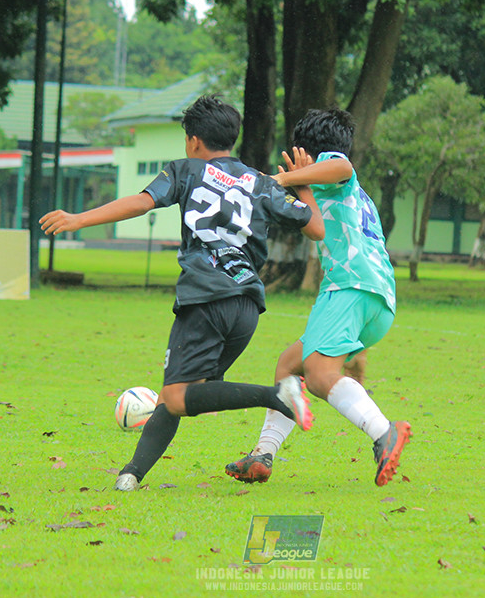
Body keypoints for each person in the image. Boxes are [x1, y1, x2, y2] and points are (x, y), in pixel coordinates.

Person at [39, 95, 325, 491]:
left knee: (175, 396)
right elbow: (316, 227)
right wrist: (304, 183)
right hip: (246, 307)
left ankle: (278, 395)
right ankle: (132, 474)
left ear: (193, 141)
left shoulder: (186, 170)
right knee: (187, 392)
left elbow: (141, 203)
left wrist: (78, 219)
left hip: (205, 298)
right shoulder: (259, 182)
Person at [224, 108, 411, 487]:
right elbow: (314, 228)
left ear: (305, 150)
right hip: (376, 297)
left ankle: (382, 432)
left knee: (319, 374)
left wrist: (287, 176)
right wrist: (296, 186)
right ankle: (263, 455)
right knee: (288, 365)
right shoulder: (352, 196)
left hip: (350, 288)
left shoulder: (333, 167)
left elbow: (341, 167)